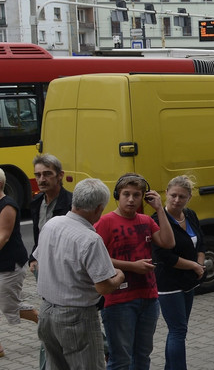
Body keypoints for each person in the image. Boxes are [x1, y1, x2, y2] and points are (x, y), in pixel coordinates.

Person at [33, 178, 125, 370]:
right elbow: (104, 287)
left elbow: (40, 263)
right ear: (99, 208)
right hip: (76, 316)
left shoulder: (52, 224)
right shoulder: (90, 239)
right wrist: (119, 276)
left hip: (46, 312)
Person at [95, 173, 174, 370]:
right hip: (118, 300)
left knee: (142, 356)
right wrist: (133, 266)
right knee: (120, 359)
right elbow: (97, 258)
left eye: (136, 195)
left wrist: (159, 209)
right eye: (126, 194)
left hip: (148, 297)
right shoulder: (105, 222)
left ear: (143, 198)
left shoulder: (146, 220)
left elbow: (168, 242)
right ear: (117, 195)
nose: (131, 200)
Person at [153, 176, 205, 370]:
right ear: (165, 193)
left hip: (188, 281)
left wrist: (200, 264)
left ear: (189, 198)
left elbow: (200, 242)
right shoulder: (157, 219)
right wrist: (194, 266)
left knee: (178, 330)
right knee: (178, 330)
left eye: (182, 197)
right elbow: (165, 256)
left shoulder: (190, 215)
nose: (176, 200)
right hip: (168, 282)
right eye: (173, 195)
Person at [0, 170, 37, 359]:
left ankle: (47, 325)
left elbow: (4, 236)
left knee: (10, 306)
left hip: (10, 263)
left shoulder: (7, 205)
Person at [28, 153, 72, 270]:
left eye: (47, 174)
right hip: (42, 265)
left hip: (64, 266)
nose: (42, 179)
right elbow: (39, 235)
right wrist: (33, 258)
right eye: (38, 175)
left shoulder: (72, 203)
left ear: (60, 175)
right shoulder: (37, 202)